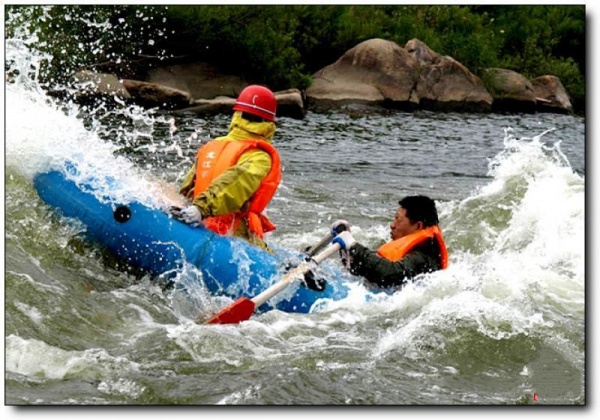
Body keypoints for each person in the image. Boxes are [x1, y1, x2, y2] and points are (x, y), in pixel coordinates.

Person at [170, 85, 280, 251]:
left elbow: (188, 188)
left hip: (197, 222)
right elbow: (235, 183)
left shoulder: (211, 146)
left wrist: (191, 209)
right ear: (269, 123)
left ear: (237, 115)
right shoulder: (259, 157)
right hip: (232, 235)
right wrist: (201, 208)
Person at [331, 195, 448, 290]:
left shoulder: (423, 257)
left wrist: (353, 245)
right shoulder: (415, 250)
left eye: (398, 219)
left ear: (418, 226)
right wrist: (348, 252)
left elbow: (388, 274)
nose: (392, 225)